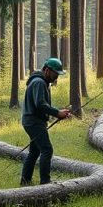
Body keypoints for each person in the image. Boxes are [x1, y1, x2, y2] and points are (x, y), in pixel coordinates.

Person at [20, 57, 71, 186]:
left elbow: (41, 106)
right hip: (33, 122)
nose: (57, 78)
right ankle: (45, 182)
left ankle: (25, 181)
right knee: (47, 150)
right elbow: (40, 104)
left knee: (34, 152)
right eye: (56, 74)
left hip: (32, 121)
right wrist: (57, 113)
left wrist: (58, 113)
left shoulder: (41, 82)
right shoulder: (39, 82)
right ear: (47, 70)